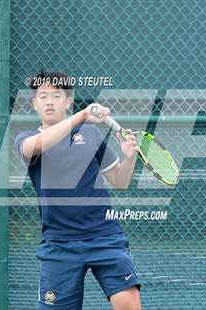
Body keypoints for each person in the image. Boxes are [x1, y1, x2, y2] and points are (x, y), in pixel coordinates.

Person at [14, 70, 141, 309]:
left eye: (56, 95)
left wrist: (130, 158)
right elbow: (36, 147)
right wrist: (82, 115)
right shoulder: (26, 138)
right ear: (34, 103)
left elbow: (120, 181)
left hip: (105, 237)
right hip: (59, 244)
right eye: (42, 96)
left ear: (68, 101)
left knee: (129, 305)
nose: (49, 101)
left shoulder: (91, 134)